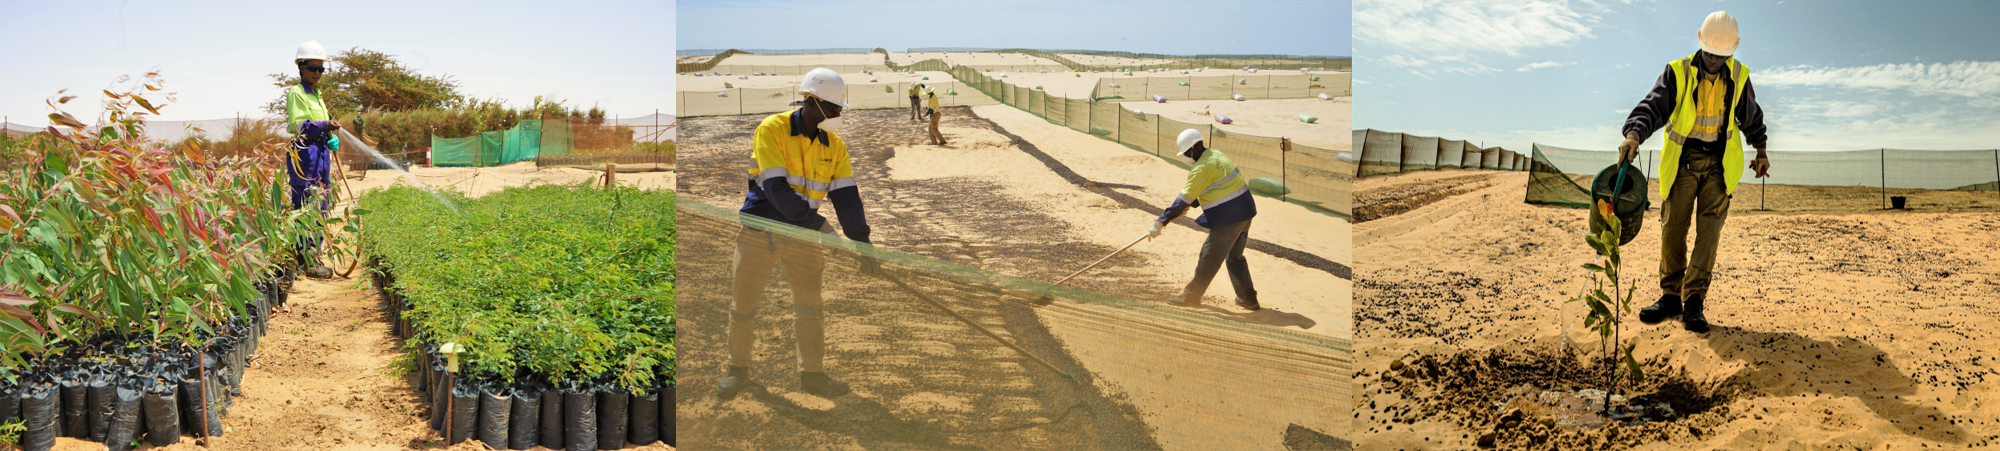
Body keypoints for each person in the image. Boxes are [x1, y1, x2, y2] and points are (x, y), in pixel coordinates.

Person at [720, 67, 880, 398]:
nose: (837, 115)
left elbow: (847, 198)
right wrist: (823, 227)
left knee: (810, 306)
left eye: (839, 109)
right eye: (833, 108)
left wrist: (862, 243)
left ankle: (813, 375)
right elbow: (777, 191)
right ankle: (738, 370)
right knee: (744, 306)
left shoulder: (834, 146)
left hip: (803, 240)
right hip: (760, 233)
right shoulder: (772, 129)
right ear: (811, 101)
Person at [1620, 11, 1770, 333]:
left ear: (1733, 49)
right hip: (1683, 164)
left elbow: (1750, 117)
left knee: (1709, 234)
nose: (1715, 61)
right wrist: (1634, 135)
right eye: (1710, 53)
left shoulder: (1739, 76)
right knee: (1673, 228)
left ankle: (1694, 302)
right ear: (1700, 41)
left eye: (1722, 55)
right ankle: (1671, 297)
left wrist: (1761, 150)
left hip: (1719, 167)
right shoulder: (1678, 72)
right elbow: (1653, 107)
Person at [284, 40, 374, 279]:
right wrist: (324, 125)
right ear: (301, 68)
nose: (317, 73)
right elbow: (298, 125)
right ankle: (307, 259)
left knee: (321, 203)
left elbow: (322, 124)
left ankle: (315, 254)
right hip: (304, 154)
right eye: (312, 68)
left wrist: (329, 137)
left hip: (320, 152)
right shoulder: (297, 92)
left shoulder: (318, 94)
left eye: (321, 69)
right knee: (306, 204)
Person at [1152, 129, 1260, 311]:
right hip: (1245, 213)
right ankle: (1249, 299)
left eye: (1186, 152)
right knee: (1234, 257)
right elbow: (1210, 187)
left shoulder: (1201, 167)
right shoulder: (1215, 155)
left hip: (1230, 218)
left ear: (1194, 147)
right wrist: (1188, 206)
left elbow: (1182, 199)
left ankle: (1191, 297)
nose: (1185, 156)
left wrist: (1160, 222)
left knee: (1209, 257)